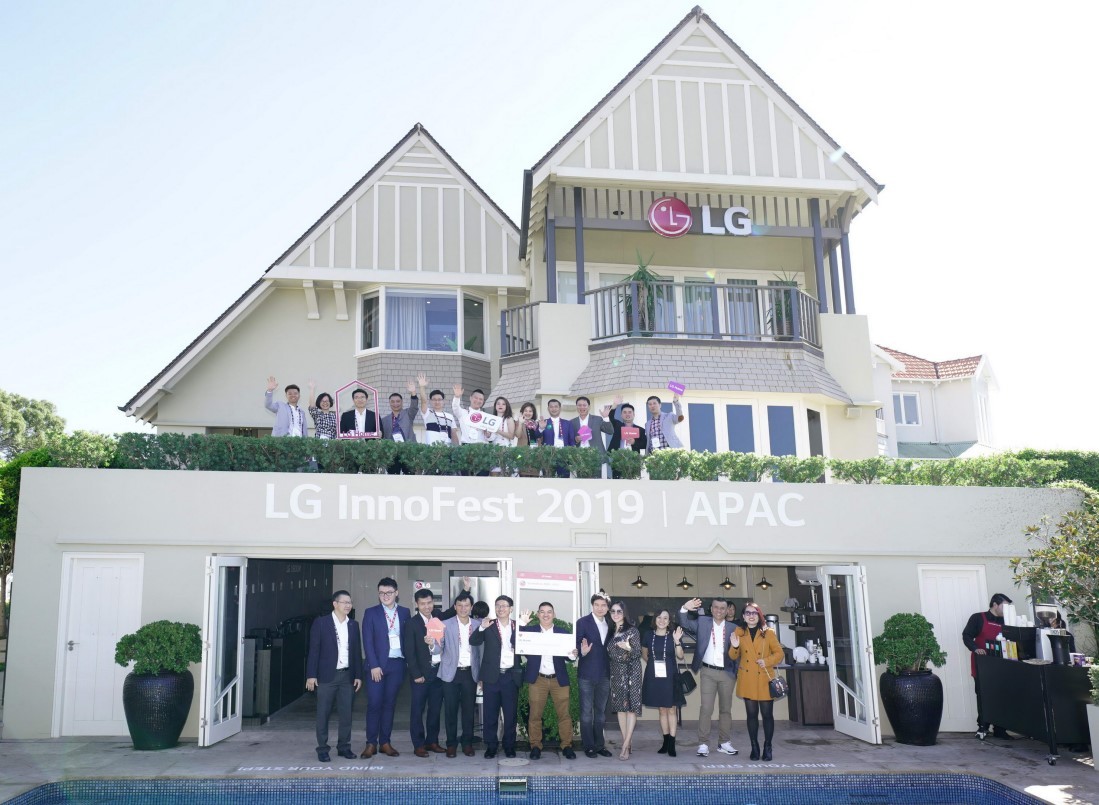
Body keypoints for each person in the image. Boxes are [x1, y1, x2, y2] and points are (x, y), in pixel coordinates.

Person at [305, 590, 363, 763]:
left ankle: (344, 747)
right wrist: (311, 675)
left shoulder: (353, 625)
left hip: (347, 676)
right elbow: (314, 650)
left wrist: (358, 675)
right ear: (335, 604)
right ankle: (322, 748)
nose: (348, 605)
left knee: (346, 714)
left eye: (350, 602)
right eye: (344, 602)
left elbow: (356, 652)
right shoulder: (321, 623)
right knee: (323, 714)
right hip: (326, 677)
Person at [679, 596, 738, 757]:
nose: (719, 610)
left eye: (722, 608)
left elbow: (739, 651)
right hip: (708, 672)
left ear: (727, 611)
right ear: (711, 609)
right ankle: (703, 743)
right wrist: (685, 607)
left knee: (725, 709)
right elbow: (684, 623)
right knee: (706, 708)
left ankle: (724, 742)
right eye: (716, 607)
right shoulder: (703, 622)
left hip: (727, 672)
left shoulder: (734, 628)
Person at [522, 601, 578, 760]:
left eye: (549, 612)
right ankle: (535, 746)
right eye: (542, 612)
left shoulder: (562, 632)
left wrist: (574, 654)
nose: (546, 614)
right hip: (537, 678)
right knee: (534, 715)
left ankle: (566, 745)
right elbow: (515, 641)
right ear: (538, 614)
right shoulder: (530, 631)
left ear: (554, 614)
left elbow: (570, 656)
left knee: (564, 715)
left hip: (558, 679)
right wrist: (522, 624)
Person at [360, 577, 409, 758]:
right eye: (381, 593)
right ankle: (371, 743)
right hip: (377, 666)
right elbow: (367, 640)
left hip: (397, 664)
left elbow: (407, 638)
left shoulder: (404, 612)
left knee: (389, 704)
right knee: (374, 704)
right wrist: (373, 664)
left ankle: (385, 742)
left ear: (396, 593)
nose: (385, 596)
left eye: (389, 592)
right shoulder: (371, 612)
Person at [729, 603, 784, 761]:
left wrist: (766, 660)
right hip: (747, 678)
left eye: (754, 613)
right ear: (744, 616)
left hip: (765, 678)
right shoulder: (738, 632)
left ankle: (768, 746)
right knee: (751, 715)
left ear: (759, 616)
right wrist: (734, 646)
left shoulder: (769, 633)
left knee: (767, 715)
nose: (751, 615)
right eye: (748, 613)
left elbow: (779, 653)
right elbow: (733, 656)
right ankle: (754, 746)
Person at [470, 595, 521, 759]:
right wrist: (482, 628)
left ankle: (509, 746)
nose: (501, 608)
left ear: (510, 608)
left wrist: (524, 629)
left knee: (510, 714)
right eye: (498, 605)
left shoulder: (518, 626)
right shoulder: (489, 625)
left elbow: (526, 647)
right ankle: (491, 746)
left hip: (511, 676)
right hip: (492, 676)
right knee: (490, 714)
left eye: (504, 606)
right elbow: (474, 641)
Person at [962, 593, 1016, 740]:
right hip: (982, 664)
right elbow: (966, 635)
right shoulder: (978, 618)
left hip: (1002, 665)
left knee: (1002, 696)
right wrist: (975, 648)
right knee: (983, 695)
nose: (1006, 609)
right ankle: (983, 727)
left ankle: (1000, 729)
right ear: (995, 605)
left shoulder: (1007, 621)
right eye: (1004, 605)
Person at [436, 591, 482, 757]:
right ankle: (451, 744)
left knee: (469, 711)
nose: (463, 608)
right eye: (460, 605)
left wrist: (481, 676)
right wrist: (430, 643)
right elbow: (437, 648)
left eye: (466, 605)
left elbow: (481, 652)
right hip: (451, 673)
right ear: (455, 607)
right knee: (450, 710)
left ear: (471, 607)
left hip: (470, 673)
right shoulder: (445, 624)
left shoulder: (478, 625)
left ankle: (467, 743)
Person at [402, 587, 445, 757]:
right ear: (416, 604)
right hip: (420, 675)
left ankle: (432, 741)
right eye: (422, 604)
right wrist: (416, 674)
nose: (426, 606)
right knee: (418, 710)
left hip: (438, 673)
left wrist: (466, 589)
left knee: (435, 709)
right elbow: (409, 652)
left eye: (429, 603)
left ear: (433, 602)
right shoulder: (412, 623)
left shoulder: (439, 618)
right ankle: (418, 744)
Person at [642, 609, 685, 756]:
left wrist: (678, 641)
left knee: (671, 709)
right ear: (655, 619)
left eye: (665, 618)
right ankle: (665, 741)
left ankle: (672, 744)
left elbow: (680, 656)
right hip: (655, 676)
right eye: (659, 617)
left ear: (669, 621)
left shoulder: (673, 635)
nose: (662, 620)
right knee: (661, 709)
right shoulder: (648, 635)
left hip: (670, 676)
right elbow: (644, 653)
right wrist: (654, 665)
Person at [575, 592, 613, 759]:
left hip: (605, 674)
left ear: (607, 607)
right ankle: (588, 745)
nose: (600, 608)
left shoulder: (611, 624)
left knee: (600, 713)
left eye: (603, 605)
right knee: (586, 713)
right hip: (586, 674)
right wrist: (581, 652)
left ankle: (599, 745)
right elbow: (575, 644)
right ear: (592, 606)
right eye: (597, 605)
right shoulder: (583, 622)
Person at [606, 601, 643, 760]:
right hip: (616, 672)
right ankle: (627, 741)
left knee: (631, 709)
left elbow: (637, 652)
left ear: (624, 613)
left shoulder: (632, 630)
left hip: (631, 672)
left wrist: (628, 648)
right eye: (613, 611)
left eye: (619, 611)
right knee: (621, 709)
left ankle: (625, 746)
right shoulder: (610, 631)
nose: (615, 614)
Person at [570, 396, 613, 476]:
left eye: (584, 405)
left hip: (595, 456)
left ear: (589, 407)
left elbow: (610, 431)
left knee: (595, 482)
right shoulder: (572, 422)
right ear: (576, 407)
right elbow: (570, 439)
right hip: (579, 456)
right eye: (579, 405)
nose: (582, 407)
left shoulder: (597, 419)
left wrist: (606, 418)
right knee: (581, 482)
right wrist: (576, 439)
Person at [540, 399, 574, 478]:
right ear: (548, 409)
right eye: (551, 407)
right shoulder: (543, 422)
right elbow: (537, 436)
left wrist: (571, 457)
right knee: (547, 480)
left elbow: (571, 441)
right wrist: (541, 428)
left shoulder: (568, 423)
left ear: (560, 408)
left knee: (564, 480)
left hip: (564, 456)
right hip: (548, 456)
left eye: (556, 407)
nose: (554, 409)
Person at [421, 380, 460, 446]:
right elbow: (423, 401)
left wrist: (457, 449)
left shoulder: (450, 416)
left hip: (447, 450)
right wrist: (422, 387)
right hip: (431, 450)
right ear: (430, 401)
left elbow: (454, 434)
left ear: (443, 401)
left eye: (439, 399)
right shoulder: (427, 414)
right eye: (434, 400)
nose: (437, 402)